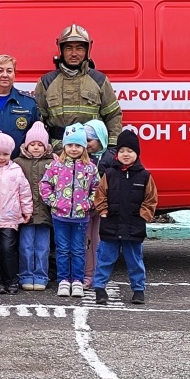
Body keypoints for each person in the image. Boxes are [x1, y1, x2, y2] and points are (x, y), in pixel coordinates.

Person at [93, 129, 158, 306]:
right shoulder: (110, 174)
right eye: (122, 151)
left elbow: (150, 199)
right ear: (117, 154)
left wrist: (143, 216)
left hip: (133, 226)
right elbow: (100, 195)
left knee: (135, 260)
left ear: (137, 153)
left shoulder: (145, 176)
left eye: (130, 151)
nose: (126, 154)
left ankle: (138, 290)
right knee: (105, 259)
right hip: (110, 225)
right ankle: (99, 288)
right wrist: (103, 211)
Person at [34, 25, 123, 153]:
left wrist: (112, 149)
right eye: (69, 48)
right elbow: (38, 120)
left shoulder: (99, 80)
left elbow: (113, 116)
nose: (74, 53)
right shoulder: (46, 82)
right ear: (61, 50)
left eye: (79, 48)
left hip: (90, 152)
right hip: (57, 152)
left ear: (87, 50)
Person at [39, 124, 99, 298]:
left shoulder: (90, 168)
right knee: (63, 249)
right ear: (64, 146)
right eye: (70, 145)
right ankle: (64, 280)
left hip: (81, 217)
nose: (74, 149)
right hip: (60, 216)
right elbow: (45, 184)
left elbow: (97, 188)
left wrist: (88, 204)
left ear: (84, 147)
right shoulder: (56, 166)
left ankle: (77, 281)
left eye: (78, 145)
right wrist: (53, 202)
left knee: (79, 249)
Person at [0, 133, 33, 295]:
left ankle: (11, 279)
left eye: (5, 154)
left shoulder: (16, 170)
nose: (1, 157)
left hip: (10, 218)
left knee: (7, 249)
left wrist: (27, 210)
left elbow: (24, 192)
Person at [14, 121, 54, 291]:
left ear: (46, 147)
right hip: (26, 215)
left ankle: (40, 276)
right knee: (26, 247)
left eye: (40, 144)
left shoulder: (53, 163)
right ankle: (25, 275)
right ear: (26, 145)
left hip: (45, 214)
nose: (36, 148)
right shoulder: (18, 163)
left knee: (43, 248)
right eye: (33, 144)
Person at [82, 119, 112, 290]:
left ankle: (97, 275)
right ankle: (87, 273)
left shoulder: (109, 159)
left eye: (89, 140)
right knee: (85, 242)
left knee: (98, 242)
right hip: (85, 207)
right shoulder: (81, 156)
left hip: (102, 208)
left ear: (100, 139)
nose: (86, 144)